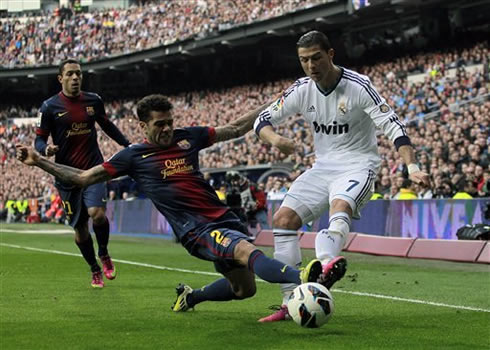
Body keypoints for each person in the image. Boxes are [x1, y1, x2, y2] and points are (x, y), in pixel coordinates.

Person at [17, 94, 326, 314]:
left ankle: (190, 299)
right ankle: (303, 277)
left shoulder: (186, 137)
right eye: (159, 124)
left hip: (225, 218)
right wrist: (40, 162)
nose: (166, 129)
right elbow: (84, 178)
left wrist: (276, 103)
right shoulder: (133, 157)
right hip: (196, 229)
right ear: (142, 126)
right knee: (246, 251)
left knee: (245, 290)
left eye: (169, 122)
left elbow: (233, 129)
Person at [253, 31, 430, 322]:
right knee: (283, 220)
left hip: (358, 165)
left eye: (316, 58)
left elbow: (394, 126)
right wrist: (275, 140)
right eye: (304, 60)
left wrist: (412, 168)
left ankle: (326, 264)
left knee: (340, 205)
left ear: (331, 55)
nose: (310, 65)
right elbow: (263, 120)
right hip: (322, 167)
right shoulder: (301, 89)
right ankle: (291, 302)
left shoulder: (359, 86)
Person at [34, 58, 131, 288]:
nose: (75, 77)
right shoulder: (49, 107)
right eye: (70, 74)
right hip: (66, 175)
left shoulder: (93, 101)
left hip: (93, 168)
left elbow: (106, 124)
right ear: (61, 79)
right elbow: (39, 138)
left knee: (97, 213)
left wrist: (127, 145)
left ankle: (104, 253)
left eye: (78, 73)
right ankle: (94, 268)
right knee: (79, 230)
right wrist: (46, 149)